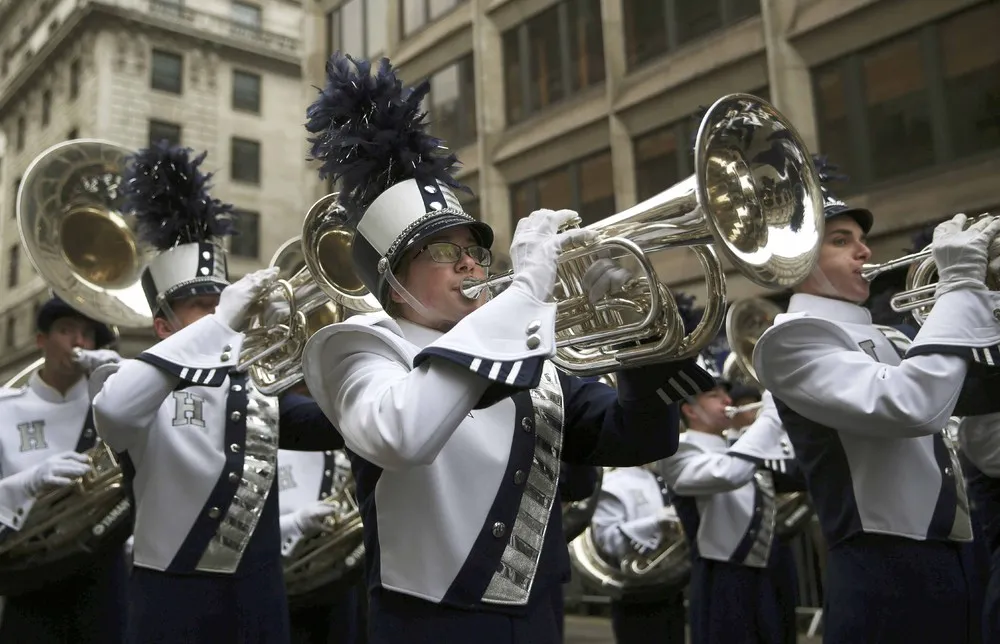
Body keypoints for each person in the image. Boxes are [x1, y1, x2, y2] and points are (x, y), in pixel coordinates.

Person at [299, 52, 718, 644]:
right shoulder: (360, 353)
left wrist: (639, 335)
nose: (470, 262)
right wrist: (523, 294)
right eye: (443, 251)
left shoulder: (530, 359)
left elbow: (637, 435)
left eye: (473, 248)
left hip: (541, 619)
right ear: (393, 278)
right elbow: (402, 432)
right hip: (429, 628)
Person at [90, 142, 344, 644]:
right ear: (164, 327)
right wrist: (223, 323)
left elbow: (339, 426)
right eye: (200, 306)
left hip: (259, 605)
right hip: (171, 604)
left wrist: (331, 346)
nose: (218, 315)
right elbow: (115, 413)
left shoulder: (257, 386)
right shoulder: (136, 382)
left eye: (220, 302)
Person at [753, 162, 1000, 643]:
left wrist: (985, 296)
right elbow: (912, 404)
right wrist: (958, 286)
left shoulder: (886, 334)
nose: (864, 250)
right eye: (841, 240)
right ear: (796, 258)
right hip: (883, 564)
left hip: (954, 555)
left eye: (861, 239)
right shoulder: (790, 339)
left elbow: (975, 392)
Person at [0, 296, 126, 643]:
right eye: (66, 330)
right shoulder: (5, 408)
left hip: (103, 571)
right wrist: (27, 482)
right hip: (31, 573)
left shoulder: (110, 405)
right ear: (41, 340)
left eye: (87, 333)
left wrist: (125, 381)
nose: (78, 342)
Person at [659, 351, 799, 644]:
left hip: (768, 573)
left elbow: (801, 475)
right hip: (722, 577)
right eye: (714, 395)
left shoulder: (739, 445)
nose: (727, 401)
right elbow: (729, 473)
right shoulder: (680, 451)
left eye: (726, 394)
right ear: (690, 410)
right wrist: (771, 417)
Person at [590, 462, 688, 644]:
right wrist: (654, 523)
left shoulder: (658, 477)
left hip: (670, 584)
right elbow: (607, 540)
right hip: (635, 590)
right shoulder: (614, 482)